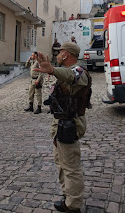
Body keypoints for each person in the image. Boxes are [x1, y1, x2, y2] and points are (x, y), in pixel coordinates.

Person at [34, 43, 92, 213]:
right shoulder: (66, 72)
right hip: (60, 124)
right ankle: (67, 195)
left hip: (70, 125)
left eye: (59, 53)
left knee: (71, 166)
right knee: (62, 163)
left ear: (66, 55)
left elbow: (71, 76)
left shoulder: (78, 71)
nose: (57, 56)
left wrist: (51, 70)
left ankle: (73, 205)